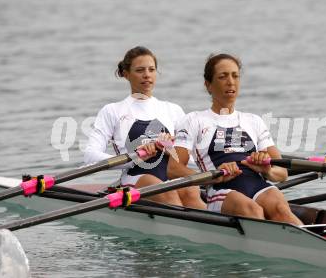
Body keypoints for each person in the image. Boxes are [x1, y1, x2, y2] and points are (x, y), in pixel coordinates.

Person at [168, 53, 303, 225]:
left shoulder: (254, 121)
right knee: (252, 210)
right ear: (208, 85)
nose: (230, 82)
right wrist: (211, 177)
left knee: (280, 209)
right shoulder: (193, 120)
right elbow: (173, 169)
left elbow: (282, 174)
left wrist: (266, 170)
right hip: (221, 190)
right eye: (222, 77)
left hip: (257, 184)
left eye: (235, 76)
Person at [84, 46, 206, 209]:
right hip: (136, 176)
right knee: (166, 192)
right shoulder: (112, 111)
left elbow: (191, 160)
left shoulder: (173, 110)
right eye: (140, 70)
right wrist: (136, 156)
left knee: (191, 191)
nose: (147, 75)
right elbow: (90, 156)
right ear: (126, 74)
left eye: (151, 69)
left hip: (171, 174)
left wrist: (173, 150)